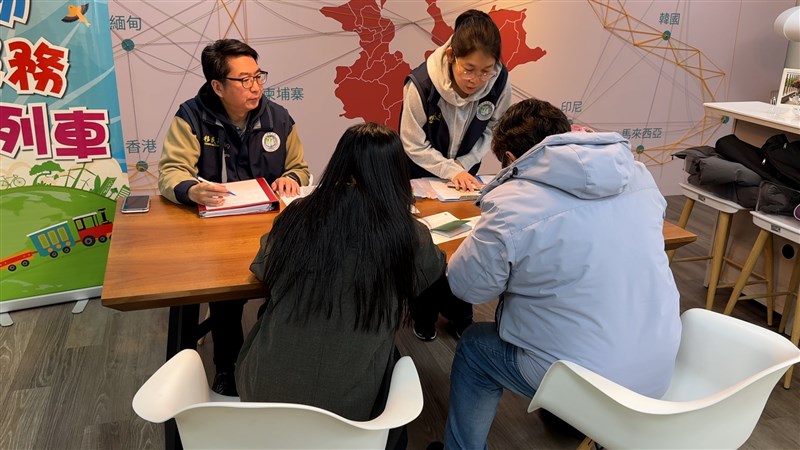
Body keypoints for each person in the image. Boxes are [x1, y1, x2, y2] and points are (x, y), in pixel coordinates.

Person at [439, 98, 682, 449]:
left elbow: (467, 287)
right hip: (659, 365)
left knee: (475, 349)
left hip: (588, 379)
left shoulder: (513, 203)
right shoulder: (638, 176)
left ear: (510, 158)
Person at [236, 122, 445, 450]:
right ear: (395, 172)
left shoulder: (297, 216)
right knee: (386, 350)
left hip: (263, 398)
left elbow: (263, 269)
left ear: (340, 161)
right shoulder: (408, 233)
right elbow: (432, 271)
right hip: (352, 417)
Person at [158, 38, 311, 396]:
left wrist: (291, 178)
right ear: (217, 85)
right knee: (226, 298)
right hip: (217, 232)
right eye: (244, 80)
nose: (256, 87)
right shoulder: (192, 117)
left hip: (271, 227)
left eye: (258, 76)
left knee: (292, 285)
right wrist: (191, 189)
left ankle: (274, 358)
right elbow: (170, 172)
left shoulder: (278, 117)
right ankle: (227, 367)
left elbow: (300, 168)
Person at [400, 9, 511, 341]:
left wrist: (464, 165)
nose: (476, 80)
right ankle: (423, 314)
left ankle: (461, 312)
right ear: (451, 56)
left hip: (465, 177)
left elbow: (494, 130)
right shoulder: (421, 84)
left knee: (463, 242)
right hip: (421, 175)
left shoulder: (499, 82)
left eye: (486, 71)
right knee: (426, 245)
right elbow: (411, 142)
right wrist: (451, 169)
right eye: (469, 70)